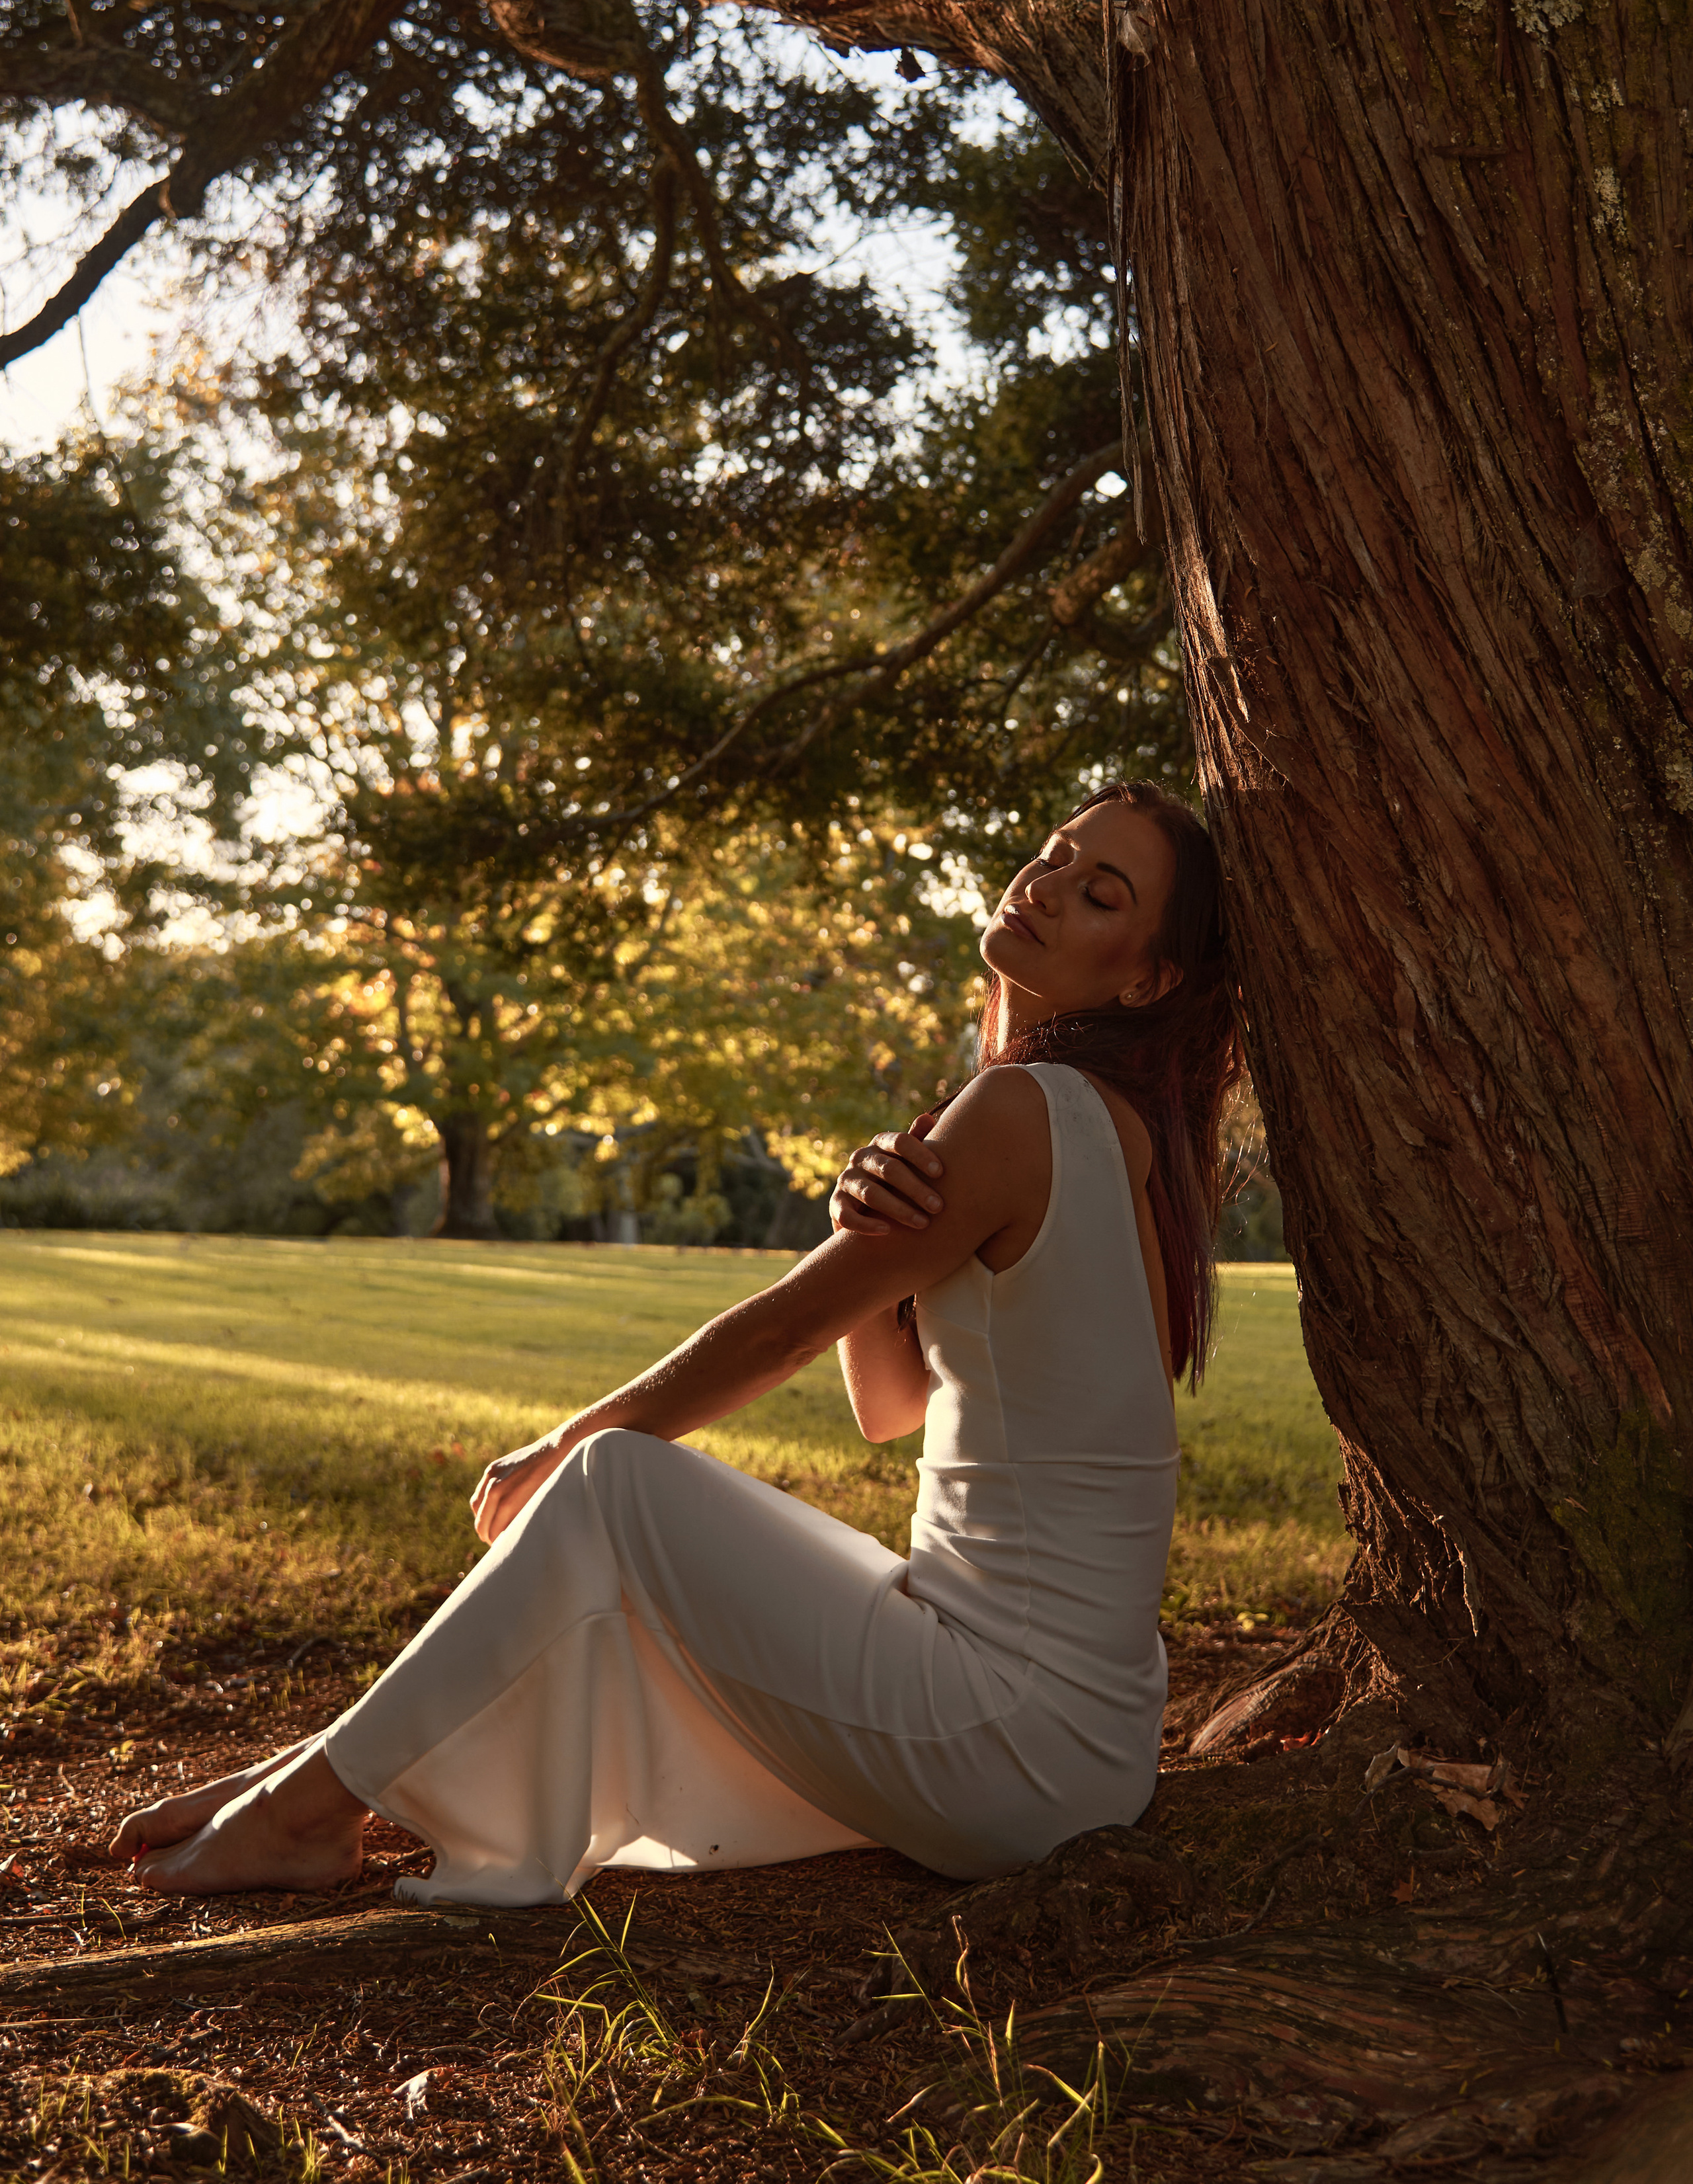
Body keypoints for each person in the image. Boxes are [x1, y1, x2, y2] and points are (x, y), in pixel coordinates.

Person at [111, 781, 1243, 1900]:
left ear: (1149, 979)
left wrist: (560, 1444)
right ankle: (309, 1773)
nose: (1046, 884)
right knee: (628, 1546)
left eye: (1100, 892)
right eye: (1055, 851)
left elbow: (784, 1332)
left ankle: (305, 1814)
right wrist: (863, 1236)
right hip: (1081, 1747)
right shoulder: (1117, 1136)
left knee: (612, 1481)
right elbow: (890, 1407)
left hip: (1011, 1736)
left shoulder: (1029, 1107)